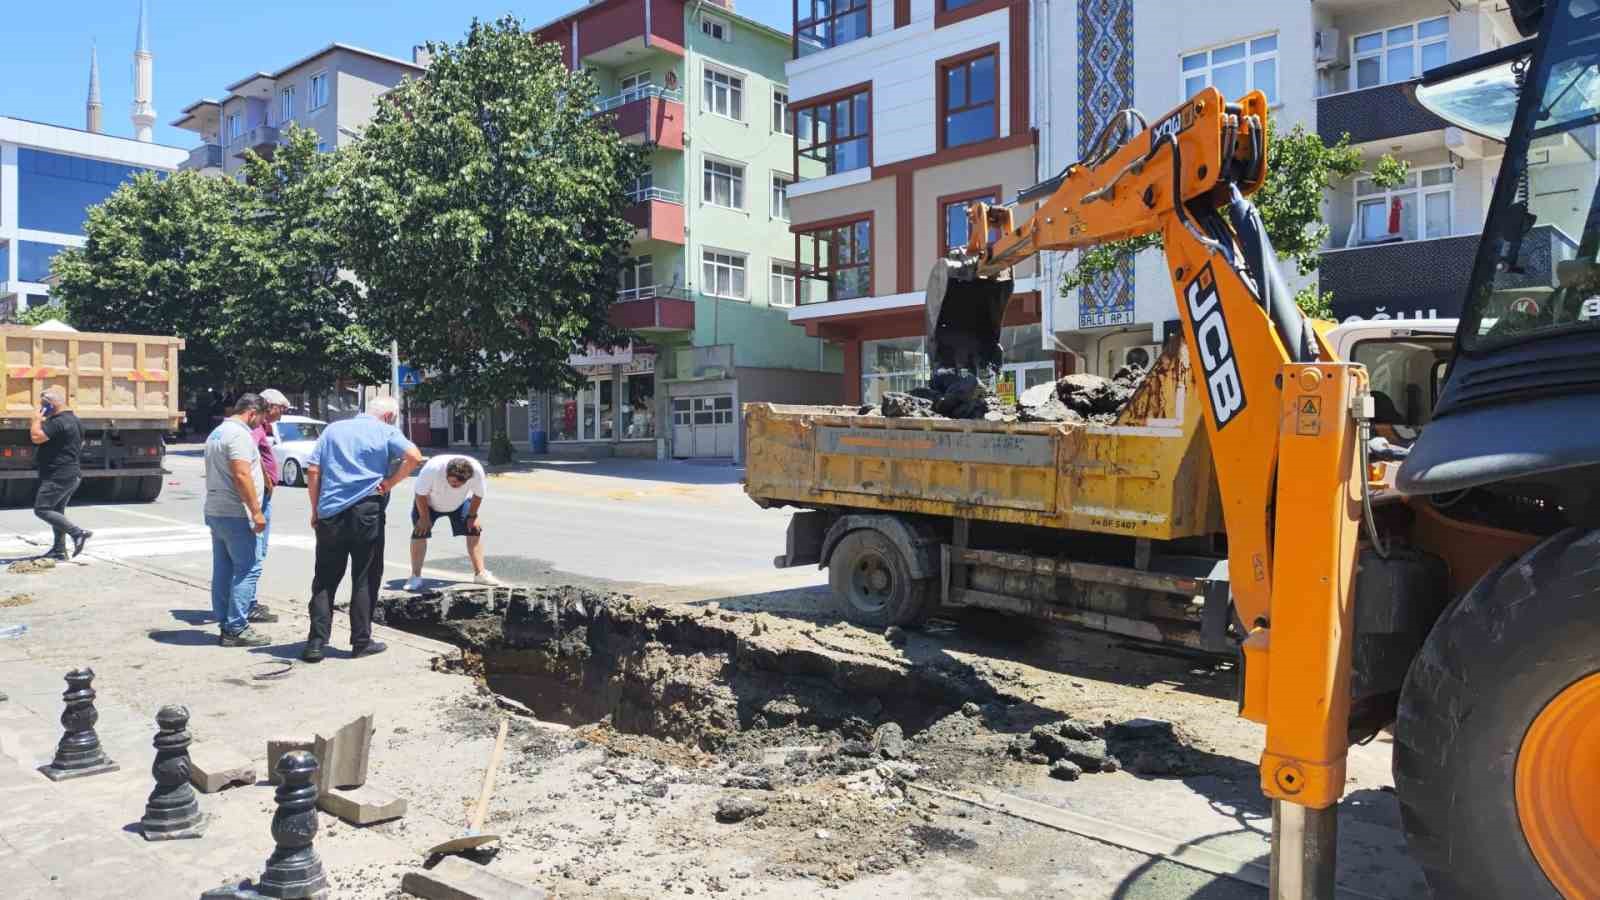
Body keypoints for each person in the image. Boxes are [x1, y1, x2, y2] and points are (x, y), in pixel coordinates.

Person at [302, 394, 421, 663]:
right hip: (367, 511)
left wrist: (316, 509)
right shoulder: (386, 430)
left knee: (325, 578)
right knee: (365, 575)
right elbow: (414, 456)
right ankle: (360, 641)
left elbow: (313, 470)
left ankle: (316, 643)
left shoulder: (333, 429)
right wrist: (390, 483)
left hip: (330, 512)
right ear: (390, 416)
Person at [203, 394, 270, 647]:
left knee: (223, 569)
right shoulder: (239, 435)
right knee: (248, 569)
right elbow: (242, 475)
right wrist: (256, 511)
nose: (261, 424)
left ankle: (225, 622)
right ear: (252, 412)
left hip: (216, 510)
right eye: (261, 418)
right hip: (236, 513)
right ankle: (236, 628)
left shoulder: (217, 433)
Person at [405, 454, 501, 591]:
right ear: (446, 474)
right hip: (429, 504)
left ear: (468, 478)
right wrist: (424, 517)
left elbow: (478, 494)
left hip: (459, 503)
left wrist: (472, 516)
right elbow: (420, 494)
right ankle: (415, 576)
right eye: (452, 482)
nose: (454, 486)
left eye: (458, 484)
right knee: (420, 532)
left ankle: (480, 573)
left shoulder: (476, 471)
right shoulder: (433, 469)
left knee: (474, 529)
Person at [244, 388, 292, 625]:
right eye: (281, 409)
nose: (282, 415)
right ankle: (248, 605)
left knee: (256, 552)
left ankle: (248, 602)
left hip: (262, 495)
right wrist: (266, 481)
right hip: (259, 497)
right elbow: (250, 457)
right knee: (256, 552)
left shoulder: (262, 428)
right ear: (269, 406)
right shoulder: (255, 429)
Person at [30, 386, 92, 560]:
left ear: (50, 404)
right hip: (71, 473)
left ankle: (78, 533)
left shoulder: (57, 422)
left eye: (43, 404)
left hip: (59, 474)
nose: (41, 408)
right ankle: (59, 550)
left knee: (42, 509)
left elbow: (36, 437)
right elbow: (80, 444)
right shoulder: (75, 420)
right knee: (57, 510)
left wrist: (35, 419)